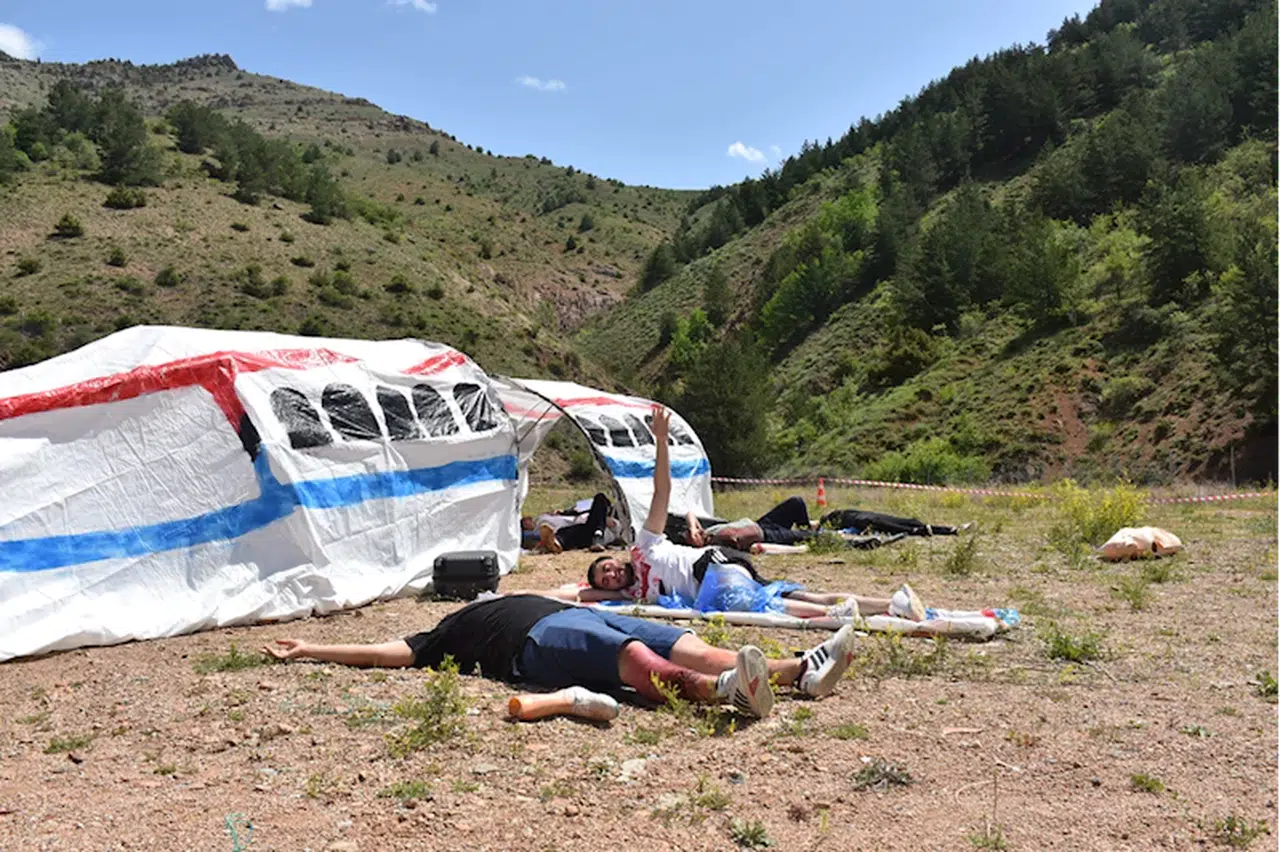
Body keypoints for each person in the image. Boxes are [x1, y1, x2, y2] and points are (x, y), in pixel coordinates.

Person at [538, 406, 926, 621]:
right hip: (726, 570)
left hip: (710, 569)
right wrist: (499, 596)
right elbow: (573, 594)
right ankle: (891, 605)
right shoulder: (625, 592)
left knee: (768, 605)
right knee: (799, 594)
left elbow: (662, 491)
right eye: (605, 578)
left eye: (606, 566)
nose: (609, 573)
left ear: (617, 557)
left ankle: (843, 614)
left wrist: (660, 441)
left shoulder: (644, 548)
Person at [263, 594, 859, 719]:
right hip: (541, 642)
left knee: (690, 644)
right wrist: (312, 647)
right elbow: (386, 653)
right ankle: (723, 693)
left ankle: (799, 673)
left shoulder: (514, 589)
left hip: (579, 614)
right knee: (634, 662)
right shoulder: (443, 632)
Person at [667, 496, 816, 550]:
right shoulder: (712, 545)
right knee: (808, 536)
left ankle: (806, 526)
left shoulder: (705, 531)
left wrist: (693, 528)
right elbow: (734, 542)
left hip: (761, 524)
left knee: (796, 502)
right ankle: (831, 535)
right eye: (692, 537)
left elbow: (690, 514)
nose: (697, 534)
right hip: (767, 536)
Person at [521, 492, 621, 553]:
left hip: (591, 530)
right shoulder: (541, 525)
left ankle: (598, 535)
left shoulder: (613, 522)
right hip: (578, 533)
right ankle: (556, 543)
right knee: (574, 530)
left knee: (600, 498)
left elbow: (611, 524)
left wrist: (564, 512)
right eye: (524, 521)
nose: (527, 519)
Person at [820, 507, 970, 537]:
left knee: (908, 523)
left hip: (869, 517)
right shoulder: (831, 520)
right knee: (904, 526)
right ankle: (950, 530)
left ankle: (951, 530)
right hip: (867, 519)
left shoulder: (835, 516)